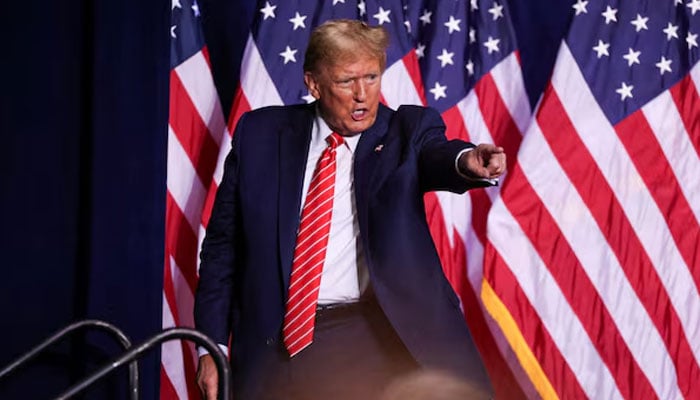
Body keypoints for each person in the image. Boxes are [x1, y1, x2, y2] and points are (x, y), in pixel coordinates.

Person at [194, 19, 505, 400]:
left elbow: (437, 154)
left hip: (376, 335)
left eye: (372, 77)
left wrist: (465, 161)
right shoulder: (259, 134)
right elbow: (222, 248)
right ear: (313, 84)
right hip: (276, 347)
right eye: (346, 82)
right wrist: (210, 345)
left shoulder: (405, 131)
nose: (363, 95)